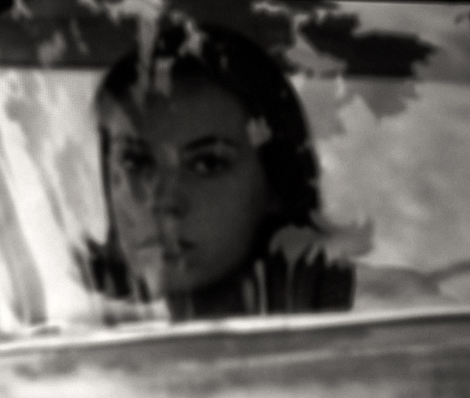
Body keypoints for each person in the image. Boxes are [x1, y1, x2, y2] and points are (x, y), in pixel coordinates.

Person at [86, 17, 354, 321]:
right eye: (135, 162)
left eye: (207, 164)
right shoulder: (80, 338)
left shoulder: (376, 320)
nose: (162, 200)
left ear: (275, 186)